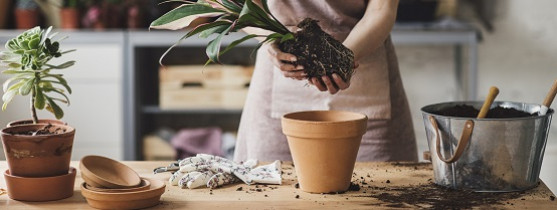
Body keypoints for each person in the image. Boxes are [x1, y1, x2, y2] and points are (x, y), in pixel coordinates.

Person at [233, 0, 418, 162]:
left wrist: (342, 59)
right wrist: (269, 39)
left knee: (385, 190)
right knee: (269, 190)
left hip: (365, 64)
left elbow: (381, 9)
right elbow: (242, 4)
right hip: (280, 70)